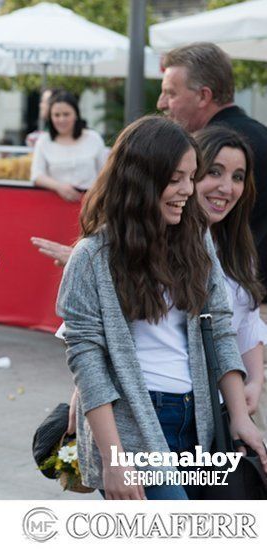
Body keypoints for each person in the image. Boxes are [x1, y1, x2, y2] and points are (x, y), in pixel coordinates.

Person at [58, 115, 267, 500]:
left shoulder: (195, 238)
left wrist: (240, 417)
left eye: (191, 176)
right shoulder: (92, 256)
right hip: (135, 421)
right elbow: (87, 360)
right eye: (175, 178)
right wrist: (114, 458)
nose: (187, 189)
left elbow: (220, 328)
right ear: (140, 179)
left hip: (198, 418)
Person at [158, 42, 267, 288]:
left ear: (203, 96)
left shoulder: (210, 148)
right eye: (215, 173)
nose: (161, 103)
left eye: (171, 93)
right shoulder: (259, 135)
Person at [195, 126, 266, 426]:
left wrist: (255, 381)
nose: (227, 188)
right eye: (215, 172)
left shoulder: (237, 247)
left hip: (229, 405)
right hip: (179, 409)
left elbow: (248, 320)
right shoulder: (165, 243)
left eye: (237, 177)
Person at [30, 91, 106, 202]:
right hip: (54, 206)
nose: (61, 120)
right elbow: (37, 176)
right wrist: (59, 187)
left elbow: (104, 174)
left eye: (66, 114)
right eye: (56, 115)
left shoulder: (94, 138)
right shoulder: (43, 141)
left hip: (90, 205)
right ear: (50, 117)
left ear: (76, 114)